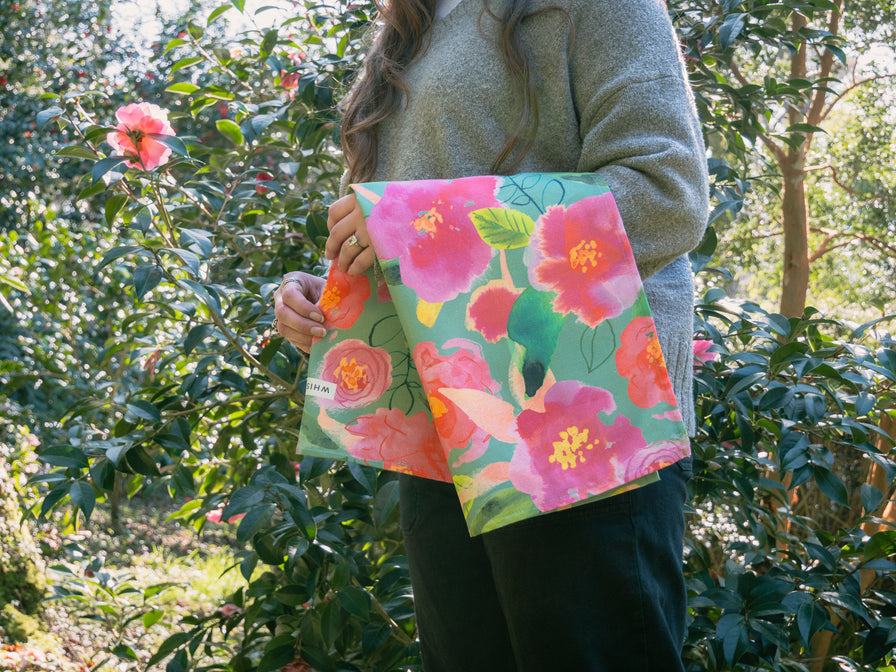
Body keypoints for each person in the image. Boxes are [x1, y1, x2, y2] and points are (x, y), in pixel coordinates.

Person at [273, 0, 709, 669]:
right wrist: (323, 288)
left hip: (581, 420)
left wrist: (417, 224)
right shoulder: (413, 23)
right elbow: (402, 230)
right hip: (447, 423)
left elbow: (666, 193)